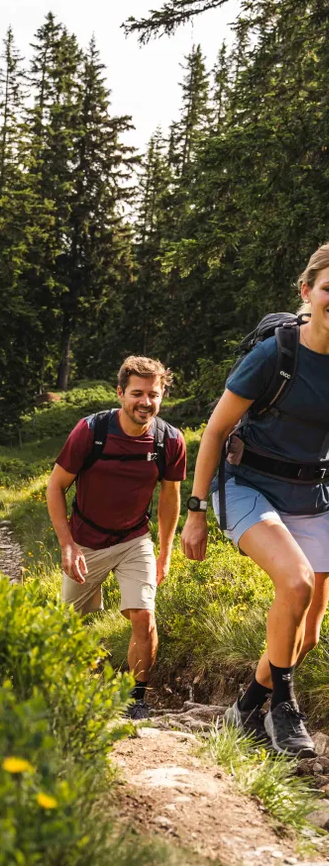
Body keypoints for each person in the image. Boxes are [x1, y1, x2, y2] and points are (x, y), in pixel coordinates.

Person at [181, 243, 329, 758]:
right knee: (296, 581)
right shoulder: (276, 355)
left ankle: (245, 710)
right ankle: (284, 711)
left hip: (313, 493)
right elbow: (216, 430)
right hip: (247, 484)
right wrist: (196, 511)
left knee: (306, 635)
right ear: (307, 291)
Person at [46, 356, 187, 719]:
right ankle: (63, 692)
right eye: (137, 393)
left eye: (153, 394)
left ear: (162, 396)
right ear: (121, 393)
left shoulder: (170, 440)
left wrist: (165, 552)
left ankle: (136, 699)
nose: (145, 402)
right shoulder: (90, 431)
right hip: (85, 541)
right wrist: (67, 544)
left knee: (144, 615)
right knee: (68, 624)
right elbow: (55, 486)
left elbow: (170, 497)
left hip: (133, 539)